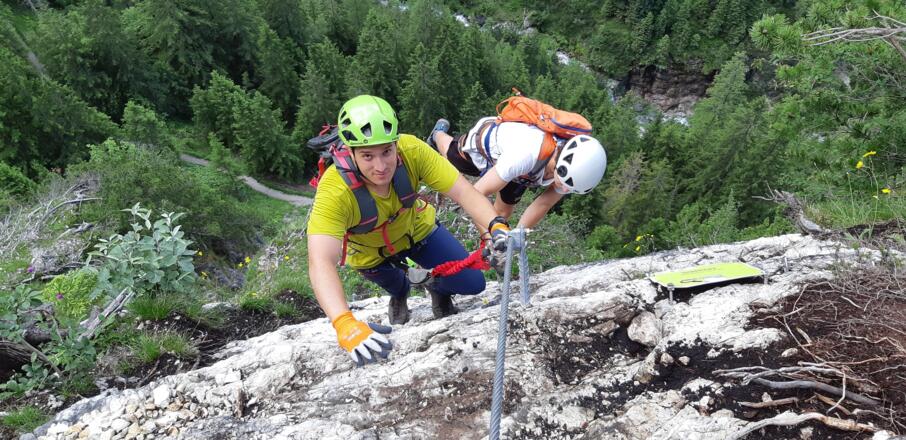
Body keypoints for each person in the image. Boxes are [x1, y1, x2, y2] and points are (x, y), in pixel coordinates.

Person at [307, 95, 510, 367]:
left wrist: (496, 226)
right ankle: (401, 292)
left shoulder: (412, 151)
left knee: (473, 283)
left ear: (395, 144)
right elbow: (321, 260)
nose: (380, 166)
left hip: (417, 231)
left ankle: (435, 286)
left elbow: (464, 192)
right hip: (371, 255)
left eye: (387, 152)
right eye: (367, 156)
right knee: (398, 286)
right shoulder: (335, 190)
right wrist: (344, 323)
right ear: (350, 152)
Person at [428, 116, 607, 229]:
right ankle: (437, 135)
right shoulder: (525, 156)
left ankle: (490, 251)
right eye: (565, 185)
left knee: (503, 213)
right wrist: (492, 235)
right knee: (451, 154)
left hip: (524, 172)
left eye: (570, 189)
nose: (564, 190)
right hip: (485, 146)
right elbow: (475, 195)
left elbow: (543, 204)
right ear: (560, 165)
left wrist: (517, 236)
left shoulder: (569, 172)